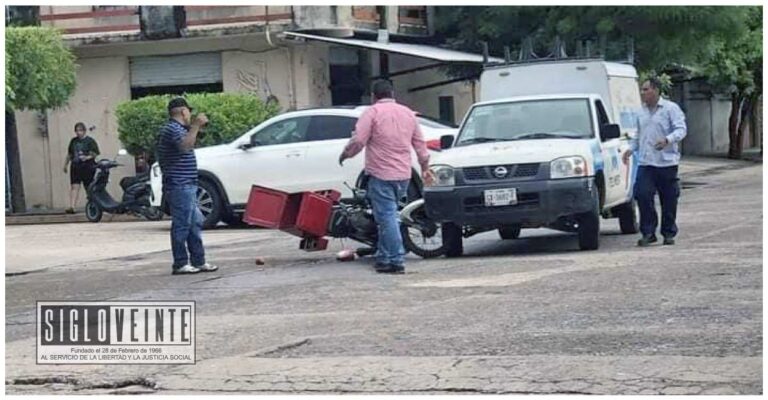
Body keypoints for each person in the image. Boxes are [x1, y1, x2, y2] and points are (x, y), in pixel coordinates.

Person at [338, 80, 433, 274]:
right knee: (388, 216)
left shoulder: (372, 113)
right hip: (403, 176)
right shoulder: (408, 113)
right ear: (392, 94)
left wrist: (345, 154)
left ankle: (396, 259)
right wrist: (425, 168)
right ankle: (383, 257)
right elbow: (420, 146)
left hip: (381, 174)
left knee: (387, 217)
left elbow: (358, 140)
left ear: (374, 96)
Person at [157, 97, 218, 275]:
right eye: (188, 112)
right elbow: (185, 146)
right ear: (183, 111)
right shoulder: (171, 129)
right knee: (182, 224)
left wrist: (195, 128)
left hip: (187, 184)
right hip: (179, 185)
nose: (190, 115)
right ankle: (180, 263)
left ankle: (199, 261)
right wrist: (196, 126)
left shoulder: (179, 129)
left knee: (195, 223)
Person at [623, 78, 687, 247]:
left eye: (646, 89)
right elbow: (638, 135)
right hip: (646, 162)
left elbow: (681, 129)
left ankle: (668, 232)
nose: (642, 93)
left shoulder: (670, 109)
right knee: (642, 194)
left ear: (656, 90)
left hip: (667, 162)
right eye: (642, 90)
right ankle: (648, 232)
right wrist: (630, 149)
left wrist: (668, 139)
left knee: (669, 199)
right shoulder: (640, 112)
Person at [63, 122, 100, 214]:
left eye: (80, 130)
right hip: (75, 166)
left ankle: (93, 205)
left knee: (88, 187)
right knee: (74, 186)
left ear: (84, 131)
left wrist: (87, 157)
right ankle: (72, 206)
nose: (78, 133)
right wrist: (65, 164)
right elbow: (69, 154)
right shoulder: (73, 141)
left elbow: (95, 153)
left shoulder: (90, 141)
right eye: (77, 131)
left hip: (87, 167)